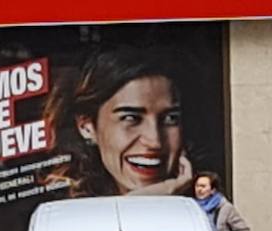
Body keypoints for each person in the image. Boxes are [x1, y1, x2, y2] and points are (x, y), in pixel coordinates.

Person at [44, 47, 194, 197]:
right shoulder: (65, 211)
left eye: (170, 119)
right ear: (87, 126)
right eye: (131, 118)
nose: (155, 142)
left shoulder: (208, 202)